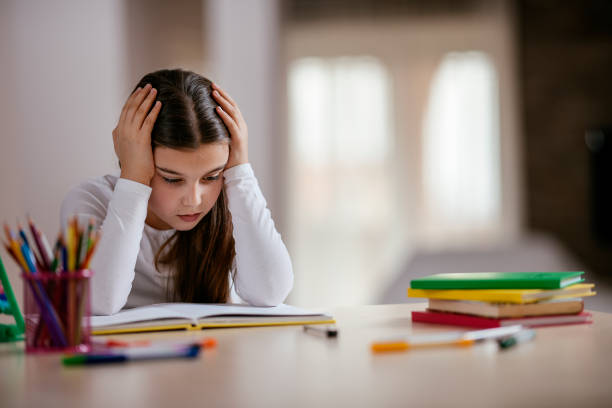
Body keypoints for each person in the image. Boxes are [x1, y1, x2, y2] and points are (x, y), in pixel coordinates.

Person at [61, 69, 293, 315]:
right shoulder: (89, 200)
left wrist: (240, 173)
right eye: (172, 179)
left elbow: (271, 291)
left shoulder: (231, 199)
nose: (194, 200)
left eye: (211, 176)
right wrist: (133, 179)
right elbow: (99, 302)